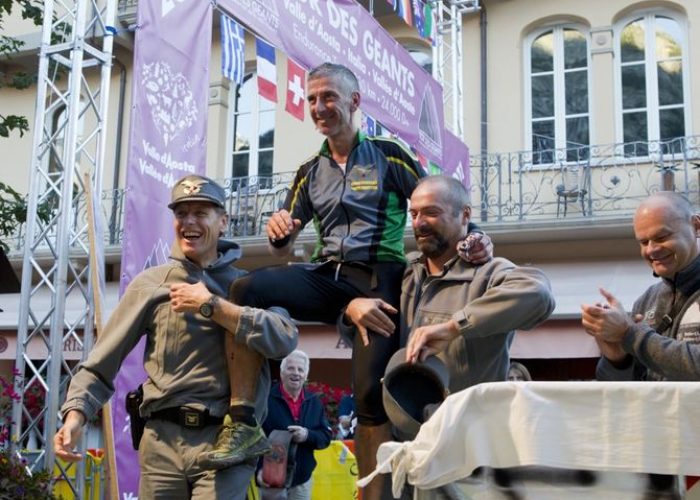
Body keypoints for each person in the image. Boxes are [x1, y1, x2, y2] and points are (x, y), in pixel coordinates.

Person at [223, 62, 493, 499]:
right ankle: (240, 419)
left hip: (378, 277)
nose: (319, 107)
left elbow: (438, 201)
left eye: (328, 96)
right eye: (312, 99)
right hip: (326, 275)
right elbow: (285, 239)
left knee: (369, 393)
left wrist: (476, 237)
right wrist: (278, 233)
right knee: (243, 291)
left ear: (354, 101)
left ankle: (374, 493)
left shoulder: (388, 154)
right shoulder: (310, 171)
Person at [53, 175, 298, 499]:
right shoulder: (150, 284)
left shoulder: (250, 285)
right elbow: (101, 363)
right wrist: (75, 416)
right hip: (161, 445)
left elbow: (284, 339)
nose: (189, 222)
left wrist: (216, 307)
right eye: (181, 213)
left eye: (201, 212)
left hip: (227, 443)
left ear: (223, 222)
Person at [343, 175, 554, 396]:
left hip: (468, 426)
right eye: (414, 214)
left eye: (431, 213)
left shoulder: (488, 273)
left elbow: (539, 293)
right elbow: (368, 341)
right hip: (408, 427)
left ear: (465, 215)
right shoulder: (403, 271)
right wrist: (351, 312)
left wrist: (453, 327)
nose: (419, 223)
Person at [581, 191, 700, 381]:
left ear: (695, 226)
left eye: (662, 237)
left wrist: (629, 333)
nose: (651, 249)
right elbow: (622, 393)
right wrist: (617, 358)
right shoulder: (645, 301)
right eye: (643, 242)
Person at [257, 350, 332, 500]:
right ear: (282, 372)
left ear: (305, 375)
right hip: (271, 477)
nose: (296, 373)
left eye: (300, 369)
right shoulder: (265, 400)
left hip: (301, 479)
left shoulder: (314, 402)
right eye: (291, 368)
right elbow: (252, 438)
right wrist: (259, 470)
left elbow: (325, 437)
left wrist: (306, 435)